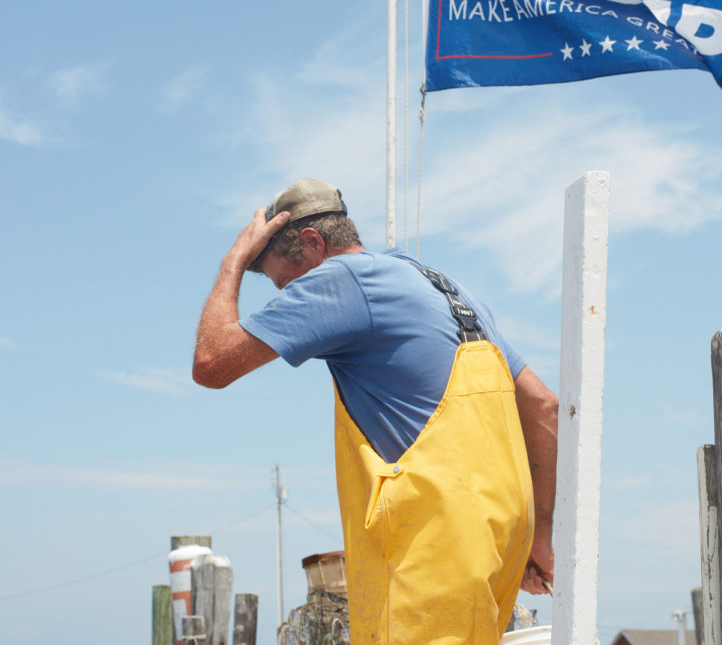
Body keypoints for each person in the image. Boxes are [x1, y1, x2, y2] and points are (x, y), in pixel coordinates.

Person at [193, 178, 558, 644]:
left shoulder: (342, 281)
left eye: (285, 283)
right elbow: (543, 406)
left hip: (434, 547)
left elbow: (211, 362)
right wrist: (540, 535)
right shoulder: (443, 287)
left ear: (313, 244)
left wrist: (233, 261)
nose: (287, 298)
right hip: (500, 542)